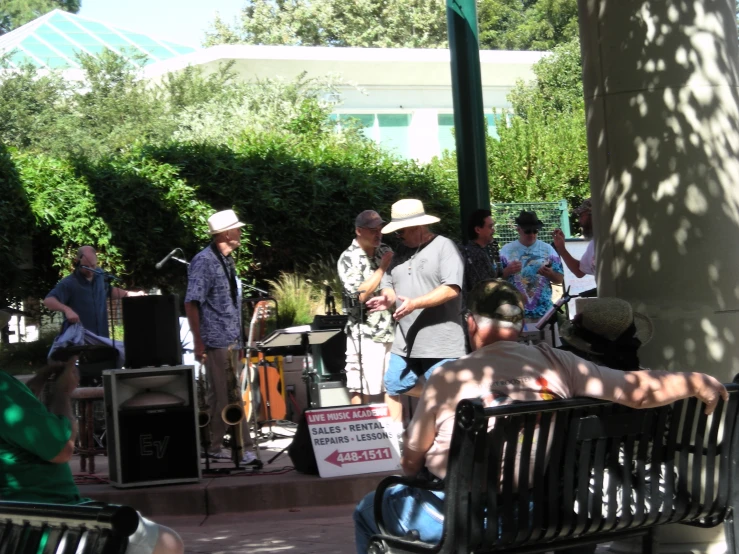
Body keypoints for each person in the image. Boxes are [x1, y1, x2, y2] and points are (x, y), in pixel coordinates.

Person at [353, 280, 727, 553]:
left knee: (369, 509)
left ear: (471, 324)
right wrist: (696, 380)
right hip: (532, 514)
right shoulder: (557, 362)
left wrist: (411, 470)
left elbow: (410, 459)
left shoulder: (450, 376)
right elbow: (637, 390)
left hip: (454, 517)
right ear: (519, 326)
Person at [0, 359, 184, 554]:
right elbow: (62, 449)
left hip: (18, 518)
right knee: (168, 542)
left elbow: (18, 421)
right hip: (41, 521)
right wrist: (62, 395)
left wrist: (39, 383)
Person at [365, 199, 465, 424]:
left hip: (441, 342)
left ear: (418, 226)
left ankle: (447, 442)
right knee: (393, 385)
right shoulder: (399, 252)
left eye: (401, 232)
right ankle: (396, 442)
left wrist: (415, 303)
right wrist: (386, 299)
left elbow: (451, 289)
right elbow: (388, 284)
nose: (398, 236)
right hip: (406, 341)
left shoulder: (444, 247)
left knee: (446, 397)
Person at [184, 209, 255, 463]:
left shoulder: (225, 260)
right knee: (229, 394)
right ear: (225, 233)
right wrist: (198, 341)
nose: (240, 232)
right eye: (237, 228)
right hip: (215, 340)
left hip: (229, 338)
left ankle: (212, 446)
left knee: (220, 395)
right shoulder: (203, 261)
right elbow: (191, 303)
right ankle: (243, 446)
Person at [337, 210, 396, 410]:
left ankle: (394, 431)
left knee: (392, 385)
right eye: (373, 230)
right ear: (359, 231)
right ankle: (363, 429)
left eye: (380, 229)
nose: (378, 234)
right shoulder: (348, 258)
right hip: (365, 332)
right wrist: (382, 268)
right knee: (362, 386)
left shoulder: (385, 249)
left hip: (391, 329)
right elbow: (359, 295)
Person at [44, 246, 146, 338]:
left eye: (93, 266)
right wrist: (67, 310)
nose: (90, 270)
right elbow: (48, 301)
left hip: (102, 337)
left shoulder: (99, 275)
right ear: (77, 262)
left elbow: (110, 291)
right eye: (86, 267)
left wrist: (132, 294)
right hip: (82, 340)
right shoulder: (69, 283)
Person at [500, 210, 564, 320]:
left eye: (535, 231)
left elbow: (559, 279)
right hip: (515, 314)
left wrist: (550, 274)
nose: (532, 234)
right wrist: (507, 271)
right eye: (528, 231)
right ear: (518, 229)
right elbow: (495, 280)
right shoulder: (505, 251)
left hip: (544, 314)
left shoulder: (548, 249)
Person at [458, 208, 501, 305]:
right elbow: (484, 286)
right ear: (478, 230)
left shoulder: (475, 250)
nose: (493, 230)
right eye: (490, 227)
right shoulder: (475, 254)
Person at [552, 198, 596, 279]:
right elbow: (579, 271)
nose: (579, 221)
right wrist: (561, 249)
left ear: (593, 214)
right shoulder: (594, 244)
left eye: (581, 215)